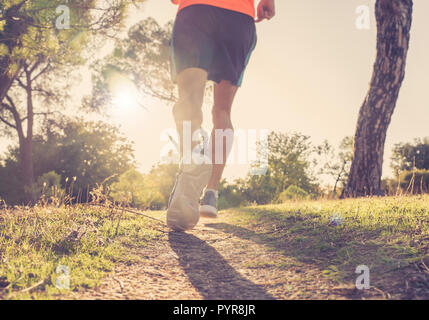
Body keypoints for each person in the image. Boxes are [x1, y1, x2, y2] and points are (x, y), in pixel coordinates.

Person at [167, 0, 276, 231]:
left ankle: (193, 157)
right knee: (222, 110)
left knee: (190, 99)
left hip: (196, 10)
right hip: (238, 19)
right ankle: (211, 193)